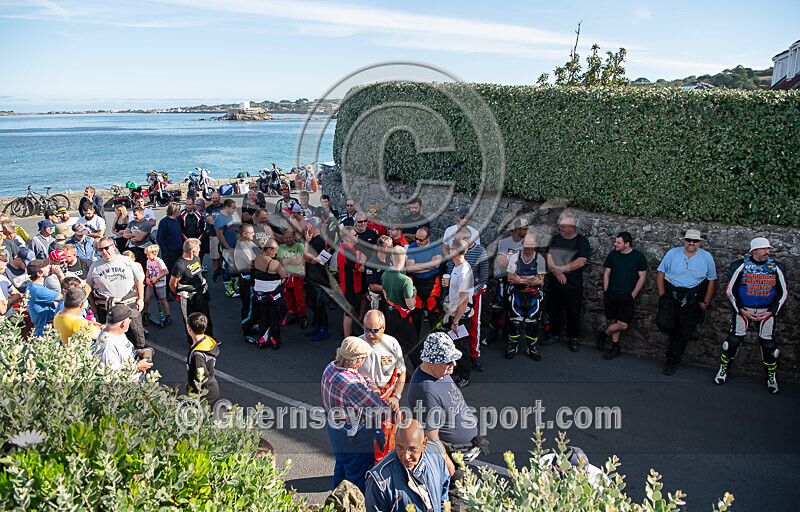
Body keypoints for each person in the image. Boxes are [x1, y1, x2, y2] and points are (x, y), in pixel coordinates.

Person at [717, 237, 787, 393]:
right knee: (732, 342)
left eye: (768, 249)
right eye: (764, 249)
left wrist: (771, 312)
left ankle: (771, 377)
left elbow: (783, 293)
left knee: (770, 347)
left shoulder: (776, 267)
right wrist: (741, 310)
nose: (767, 252)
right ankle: (724, 370)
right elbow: (730, 290)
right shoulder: (740, 265)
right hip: (744, 309)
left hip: (766, 311)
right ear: (754, 250)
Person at [321, 336, 390, 493]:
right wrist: (377, 394)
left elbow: (360, 376)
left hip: (337, 432)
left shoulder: (331, 367)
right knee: (358, 480)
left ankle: (336, 501)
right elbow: (380, 410)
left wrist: (371, 385)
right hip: (354, 439)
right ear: (357, 360)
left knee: (341, 469)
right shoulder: (352, 385)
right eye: (364, 358)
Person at [408, 332, 481, 478]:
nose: (454, 364)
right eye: (448, 361)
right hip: (452, 460)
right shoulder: (425, 391)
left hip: (463, 452)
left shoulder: (439, 372)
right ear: (430, 362)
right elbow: (431, 438)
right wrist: (450, 468)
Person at [656, 229, 717, 376]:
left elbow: (712, 280)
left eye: (695, 241)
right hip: (672, 294)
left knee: (683, 331)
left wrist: (705, 303)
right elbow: (660, 272)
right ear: (684, 240)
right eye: (689, 240)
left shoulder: (706, 257)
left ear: (699, 243)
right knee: (664, 323)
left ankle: (672, 360)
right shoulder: (672, 253)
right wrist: (662, 295)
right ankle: (672, 350)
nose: (691, 243)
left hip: (693, 298)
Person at [365, 419, 450, 512]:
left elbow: (443, 498)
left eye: (412, 449)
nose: (406, 456)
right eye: (400, 448)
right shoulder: (379, 480)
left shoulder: (436, 456)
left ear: (424, 444)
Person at [359, 309, 406, 463]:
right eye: (366, 329)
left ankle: (385, 467)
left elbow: (402, 373)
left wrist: (396, 397)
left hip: (388, 401)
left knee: (388, 441)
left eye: (374, 330)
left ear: (383, 327)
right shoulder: (357, 345)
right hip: (364, 402)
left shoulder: (392, 344)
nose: (370, 334)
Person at [595, 232, 648, 360]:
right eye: (616, 242)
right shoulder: (613, 255)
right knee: (613, 320)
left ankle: (603, 334)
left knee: (623, 324)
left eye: (619, 242)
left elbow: (642, 277)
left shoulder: (638, 257)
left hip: (627, 296)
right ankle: (615, 347)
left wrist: (633, 294)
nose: (615, 244)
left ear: (627, 244)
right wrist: (606, 290)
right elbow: (606, 273)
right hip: (612, 294)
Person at [86, 237, 146, 349]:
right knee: (110, 337)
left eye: (106, 248)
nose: (104, 252)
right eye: (101, 250)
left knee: (135, 332)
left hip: (128, 303)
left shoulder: (126, 261)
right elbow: (88, 286)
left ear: (113, 246)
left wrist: (140, 299)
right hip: (107, 306)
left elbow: (139, 280)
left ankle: (140, 354)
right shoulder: (95, 266)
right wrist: (92, 305)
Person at [543, 213, 591, 352]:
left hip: (573, 285)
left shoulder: (582, 241)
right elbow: (548, 255)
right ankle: (554, 334)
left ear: (572, 228)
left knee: (573, 312)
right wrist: (556, 271)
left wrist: (562, 269)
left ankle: (573, 338)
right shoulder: (556, 239)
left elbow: (581, 261)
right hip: (555, 282)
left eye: (564, 227)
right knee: (554, 310)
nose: (561, 229)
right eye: (560, 226)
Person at [445, 228, 489, 373]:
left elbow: (483, 278)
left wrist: (470, 294)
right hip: (459, 292)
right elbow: (451, 268)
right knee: (458, 332)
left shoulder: (480, 252)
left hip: (471, 293)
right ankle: (459, 362)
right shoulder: (457, 259)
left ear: (468, 239)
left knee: (474, 325)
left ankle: (473, 356)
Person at [485, 218, 529, 346]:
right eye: (525, 229)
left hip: (517, 281)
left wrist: (510, 258)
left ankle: (506, 334)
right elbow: (501, 262)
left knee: (512, 308)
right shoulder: (504, 242)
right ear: (518, 229)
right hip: (503, 279)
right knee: (497, 307)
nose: (527, 231)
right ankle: (493, 332)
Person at [504, 233, 547, 361]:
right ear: (522, 244)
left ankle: (531, 347)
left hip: (533, 295)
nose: (529, 247)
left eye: (532, 245)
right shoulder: (514, 257)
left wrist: (521, 279)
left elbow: (540, 280)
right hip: (517, 293)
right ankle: (513, 346)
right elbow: (511, 278)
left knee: (533, 323)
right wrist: (531, 278)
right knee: (514, 322)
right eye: (527, 244)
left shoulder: (540, 259)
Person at [170, 238, 214, 345]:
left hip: (200, 293)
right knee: (190, 319)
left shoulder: (196, 258)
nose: (199, 250)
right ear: (192, 251)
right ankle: (193, 341)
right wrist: (178, 293)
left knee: (205, 316)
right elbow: (172, 283)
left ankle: (209, 337)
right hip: (188, 296)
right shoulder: (180, 265)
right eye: (198, 249)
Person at [442, 238, 474, 385]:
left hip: (460, 315)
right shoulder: (457, 267)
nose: (448, 251)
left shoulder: (464, 271)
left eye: (450, 249)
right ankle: (459, 370)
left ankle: (465, 377)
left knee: (462, 346)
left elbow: (464, 301)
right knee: (455, 344)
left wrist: (456, 321)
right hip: (454, 312)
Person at [382, 245, 419, 367]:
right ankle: (419, 372)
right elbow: (410, 305)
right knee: (413, 347)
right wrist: (414, 294)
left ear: (391, 258)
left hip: (389, 313)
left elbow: (385, 295)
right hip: (403, 318)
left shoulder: (385, 274)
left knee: (390, 346)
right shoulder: (406, 280)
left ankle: (389, 370)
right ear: (405, 258)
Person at [95, 304, 153, 374]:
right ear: (124, 323)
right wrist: (137, 367)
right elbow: (112, 375)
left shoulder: (118, 333)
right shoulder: (108, 346)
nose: (131, 321)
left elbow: (122, 353)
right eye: (130, 318)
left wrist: (138, 352)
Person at [406, 226, 443, 334]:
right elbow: (410, 268)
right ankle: (415, 340)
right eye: (416, 239)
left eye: (421, 240)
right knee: (416, 313)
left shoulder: (435, 246)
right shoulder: (412, 246)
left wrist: (417, 267)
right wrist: (429, 265)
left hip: (432, 282)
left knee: (434, 312)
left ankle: (436, 337)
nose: (418, 242)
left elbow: (436, 264)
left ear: (428, 239)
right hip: (416, 281)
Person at [252, 238, 287, 349]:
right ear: (269, 250)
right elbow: (284, 275)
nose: (276, 253)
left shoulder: (257, 258)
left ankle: (262, 339)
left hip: (259, 294)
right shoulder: (274, 263)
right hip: (273, 295)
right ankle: (275, 340)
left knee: (263, 317)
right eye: (275, 250)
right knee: (274, 318)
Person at [303, 217, 333, 342]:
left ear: (311, 226)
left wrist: (306, 243)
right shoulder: (315, 240)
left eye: (307, 224)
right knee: (314, 305)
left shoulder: (318, 241)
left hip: (318, 278)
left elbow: (308, 259)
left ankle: (324, 330)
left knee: (319, 306)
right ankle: (318, 326)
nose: (306, 226)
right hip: (313, 277)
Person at [186, 312, 220, 408]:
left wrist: (193, 393)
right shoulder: (207, 342)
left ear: (189, 329)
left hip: (204, 395)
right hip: (212, 389)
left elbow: (201, 378)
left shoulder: (198, 354)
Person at [337, 226, 367, 337]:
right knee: (349, 313)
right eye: (355, 235)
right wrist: (361, 259)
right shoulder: (347, 251)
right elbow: (361, 268)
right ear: (348, 238)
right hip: (350, 286)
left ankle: (348, 333)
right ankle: (347, 337)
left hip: (353, 285)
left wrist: (360, 258)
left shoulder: (349, 249)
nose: (357, 236)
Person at [277, 228, 307, 328]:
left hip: (297, 276)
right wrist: (292, 258)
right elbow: (280, 261)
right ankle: (294, 315)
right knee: (288, 298)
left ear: (294, 237)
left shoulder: (299, 246)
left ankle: (303, 317)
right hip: (286, 277)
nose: (288, 240)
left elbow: (298, 261)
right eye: (286, 238)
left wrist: (286, 260)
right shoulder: (281, 247)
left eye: (290, 237)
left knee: (299, 298)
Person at [234, 224, 259, 342]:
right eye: (251, 232)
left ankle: (253, 324)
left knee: (254, 305)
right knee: (248, 306)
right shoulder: (242, 247)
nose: (254, 234)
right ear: (244, 234)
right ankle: (247, 332)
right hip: (247, 280)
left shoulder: (249, 243)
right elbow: (253, 262)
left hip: (252, 279)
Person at [25, 259, 62, 336]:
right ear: (39, 273)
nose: (49, 266)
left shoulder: (33, 287)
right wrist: (60, 276)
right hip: (44, 332)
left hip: (43, 328)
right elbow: (65, 296)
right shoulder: (38, 290)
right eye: (45, 266)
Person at [214, 199, 238, 297]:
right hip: (226, 248)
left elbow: (231, 228)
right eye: (233, 208)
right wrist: (228, 248)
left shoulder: (229, 216)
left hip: (233, 246)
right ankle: (228, 289)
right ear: (227, 207)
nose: (234, 210)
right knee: (228, 268)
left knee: (234, 267)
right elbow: (220, 235)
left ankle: (235, 285)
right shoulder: (220, 219)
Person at [143, 244, 171, 327]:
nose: (147, 256)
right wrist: (147, 278)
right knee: (146, 300)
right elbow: (147, 270)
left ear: (155, 254)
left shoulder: (159, 261)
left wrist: (156, 278)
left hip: (160, 284)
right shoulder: (148, 261)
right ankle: (145, 314)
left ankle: (168, 316)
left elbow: (166, 271)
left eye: (148, 255)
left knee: (163, 300)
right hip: (151, 283)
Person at [365, 236, 392, 313]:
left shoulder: (390, 258)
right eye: (391, 247)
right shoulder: (372, 263)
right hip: (378, 299)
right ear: (386, 248)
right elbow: (373, 286)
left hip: (389, 298)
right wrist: (390, 288)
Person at [157, 202, 183, 279]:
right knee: (170, 271)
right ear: (174, 210)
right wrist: (165, 251)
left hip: (179, 250)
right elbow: (160, 238)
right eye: (178, 209)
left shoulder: (178, 221)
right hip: (170, 252)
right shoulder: (164, 222)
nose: (180, 211)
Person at [204, 191, 225, 281]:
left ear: (219, 198)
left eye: (216, 198)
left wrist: (215, 220)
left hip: (224, 235)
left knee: (224, 254)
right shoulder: (209, 208)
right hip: (214, 235)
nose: (215, 200)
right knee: (214, 255)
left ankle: (223, 269)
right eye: (213, 198)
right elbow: (210, 221)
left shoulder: (224, 207)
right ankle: (215, 271)